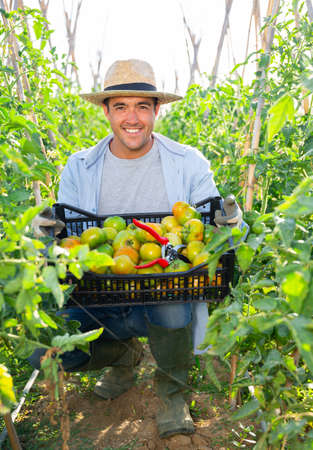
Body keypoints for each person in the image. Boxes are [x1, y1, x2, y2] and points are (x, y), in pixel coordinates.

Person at [30, 59, 244, 438]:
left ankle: (171, 394)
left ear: (156, 110)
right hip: (103, 291)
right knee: (46, 349)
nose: (133, 117)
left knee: (173, 303)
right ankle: (123, 357)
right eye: (121, 106)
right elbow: (69, 239)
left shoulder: (188, 162)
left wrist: (230, 221)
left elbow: (210, 225)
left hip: (166, 287)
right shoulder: (80, 166)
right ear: (106, 111)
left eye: (142, 106)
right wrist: (46, 230)